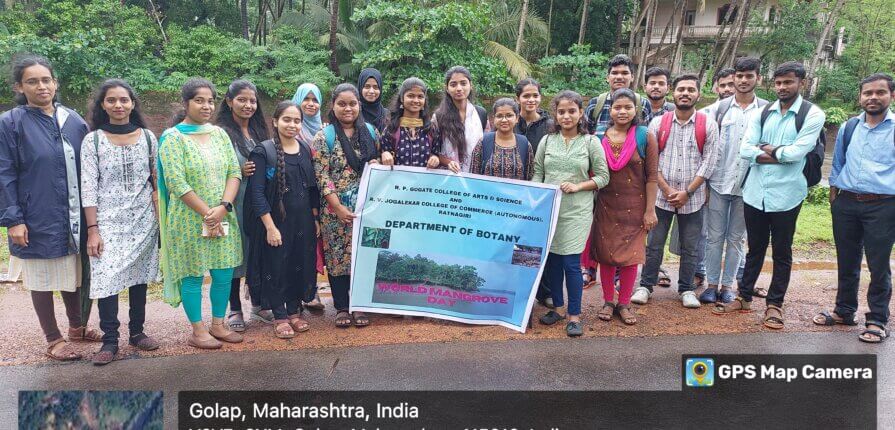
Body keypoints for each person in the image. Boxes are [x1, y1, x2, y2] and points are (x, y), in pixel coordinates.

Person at [0, 55, 101, 361]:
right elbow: (4, 172)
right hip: (36, 214)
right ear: (20, 86)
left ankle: (77, 327)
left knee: (73, 271)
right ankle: (53, 338)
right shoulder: (11, 123)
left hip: (73, 212)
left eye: (46, 80)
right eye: (32, 81)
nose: (41, 86)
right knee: (42, 276)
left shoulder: (73, 120)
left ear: (55, 83)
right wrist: (13, 219)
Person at [713, 62, 825, 329]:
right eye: (778, 83)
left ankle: (775, 304)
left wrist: (768, 151)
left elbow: (798, 153)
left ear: (802, 83)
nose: (782, 87)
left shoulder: (812, 115)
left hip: (787, 195)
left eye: (788, 82)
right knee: (754, 249)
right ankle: (744, 296)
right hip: (755, 193)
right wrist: (779, 153)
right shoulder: (762, 113)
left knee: (782, 252)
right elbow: (746, 149)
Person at [157, 78, 244, 349]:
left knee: (223, 272)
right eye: (199, 100)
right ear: (185, 103)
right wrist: (208, 213)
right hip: (188, 219)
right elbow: (176, 182)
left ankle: (218, 324)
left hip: (222, 215)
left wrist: (223, 207)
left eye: (210, 100)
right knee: (193, 275)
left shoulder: (220, 134)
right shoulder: (173, 138)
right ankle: (197, 330)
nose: (206, 106)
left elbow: (234, 171)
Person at [81, 79, 161, 365]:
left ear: (132, 103)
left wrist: (160, 220)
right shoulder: (93, 140)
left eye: (124, 100)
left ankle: (137, 332)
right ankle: (109, 340)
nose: (118, 105)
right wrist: (93, 230)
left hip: (142, 219)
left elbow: (156, 181)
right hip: (106, 222)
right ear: (103, 105)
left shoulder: (149, 137)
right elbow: (88, 187)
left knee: (139, 278)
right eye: (112, 100)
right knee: (107, 279)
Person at [813, 73, 895, 343]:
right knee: (847, 260)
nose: (873, 97)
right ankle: (845, 310)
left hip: (883, 205)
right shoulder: (850, 127)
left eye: (879, 92)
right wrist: (835, 195)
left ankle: (877, 319)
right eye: (867, 93)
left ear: (891, 96)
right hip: (846, 203)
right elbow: (837, 163)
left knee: (878, 264)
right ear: (860, 97)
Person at [632, 74, 719, 308]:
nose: (685, 93)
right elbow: (652, 162)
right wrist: (668, 189)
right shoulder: (658, 124)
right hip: (662, 197)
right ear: (673, 92)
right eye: (681, 89)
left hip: (693, 199)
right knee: (654, 244)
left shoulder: (708, 124)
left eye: (691, 89)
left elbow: (709, 163)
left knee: (691, 247)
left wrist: (687, 193)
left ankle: (686, 289)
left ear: (698, 94)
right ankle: (645, 286)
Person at [314, 83, 392, 328]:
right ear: (333, 106)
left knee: (367, 254)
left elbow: (379, 163)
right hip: (335, 210)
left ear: (359, 105)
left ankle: (361, 305)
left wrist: (386, 157)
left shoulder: (371, 132)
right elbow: (321, 174)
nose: (348, 109)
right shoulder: (323, 137)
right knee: (338, 257)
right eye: (342, 104)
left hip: (368, 209)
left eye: (353, 104)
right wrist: (336, 206)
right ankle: (341, 306)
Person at [533, 90, 610, 337]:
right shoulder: (547, 141)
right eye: (561, 111)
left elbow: (603, 177)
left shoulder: (590, 142)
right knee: (553, 262)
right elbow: (537, 173)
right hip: (551, 209)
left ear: (580, 113)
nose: (566, 116)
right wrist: (536, 194)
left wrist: (578, 186)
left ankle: (574, 315)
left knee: (570, 263)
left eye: (572, 111)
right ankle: (557, 308)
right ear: (555, 114)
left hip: (577, 211)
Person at [247, 101, 319, 339]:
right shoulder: (263, 151)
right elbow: (256, 192)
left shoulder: (304, 149)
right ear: (275, 121)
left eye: (296, 120)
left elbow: (311, 189)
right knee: (275, 267)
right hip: (276, 222)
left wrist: (315, 218)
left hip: (303, 222)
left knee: (299, 263)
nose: (292, 125)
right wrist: (269, 226)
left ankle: (295, 310)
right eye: (287, 120)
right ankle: (279, 315)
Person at [699, 57, 767, 304]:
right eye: (740, 76)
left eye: (749, 76)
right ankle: (711, 284)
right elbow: (707, 148)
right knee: (714, 236)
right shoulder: (718, 109)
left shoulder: (766, 110)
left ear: (758, 78)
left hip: (748, 185)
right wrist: (704, 182)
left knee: (737, 238)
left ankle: (728, 286)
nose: (743, 80)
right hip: (718, 182)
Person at [590, 89, 659, 325]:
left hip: (636, 206)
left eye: (627, 107)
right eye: (617, 107)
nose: (622, 112)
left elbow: (652, 176)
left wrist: (650, 210)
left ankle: (624, 303)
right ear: (610, 109)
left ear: (635, 110)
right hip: (607, 206)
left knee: (631, 257)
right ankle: (608, 301)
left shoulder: (644, 136)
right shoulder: (598, 139)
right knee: (607, 255)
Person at [216, 79, 273, 331]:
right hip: (233, 204)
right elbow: (213, 169)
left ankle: (258, 305)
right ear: (229, 102)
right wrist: (237, 171)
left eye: (252, 100)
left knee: (257, 253)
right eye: (242, 100)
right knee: (233, 256)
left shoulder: (260, 131)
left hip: (258, 203)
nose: (248, 105)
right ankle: (235, 308)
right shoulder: (220, 133)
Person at [514, 78, 554, 307]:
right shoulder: (510, 120)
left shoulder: (549, 125)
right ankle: (523, 292)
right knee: (519, 243)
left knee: (540, 242)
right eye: (526, 96)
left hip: (542, 194)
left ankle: (544, 291)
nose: (531, 100)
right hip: (515, 193)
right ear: (518, 98)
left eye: (535, 96)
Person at [291, 82, 327, 311]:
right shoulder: (292, 128)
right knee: (299, 243)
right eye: (307, 99)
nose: (311, 104)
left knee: (318, 243)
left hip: (323, 195)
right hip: (299, 195)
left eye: (315, 100)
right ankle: (295, 292)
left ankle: (312, 290)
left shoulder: (326, 130)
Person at [434, 66, 489, 173]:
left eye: (463, 83)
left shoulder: (480, 114)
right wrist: (448, 162)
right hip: (447, 177)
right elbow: (432, 151)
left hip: (474, 176)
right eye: (453, 84)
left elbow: (486, 147)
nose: (459, 88)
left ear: (470, 85)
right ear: (447, 88)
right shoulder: (439, 116)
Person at [584, 54, 652, 137]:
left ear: (632, 77)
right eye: (614, 73)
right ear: (608, 77)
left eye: (625, 73)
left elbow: (648, 137)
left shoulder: (643, 104)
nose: (619, 77)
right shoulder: (595, 104)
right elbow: (585, 137)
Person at [380, 77, 441, 168]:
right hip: (397, 181)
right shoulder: (391, 129)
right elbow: (381, 156)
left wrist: (435, 158)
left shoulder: (431, 129)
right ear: (402, 98)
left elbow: (436, 154)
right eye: (411, 96)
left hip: (424, 181)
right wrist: (385, 154)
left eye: (420, 96)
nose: (416, 100)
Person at [471, 98, 533, 180]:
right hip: (487, 192)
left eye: (509, 115)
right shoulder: (484, 142)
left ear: (517, 118)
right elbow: (473, 176)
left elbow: (529, 177)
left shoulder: (524, 144)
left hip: (516, 192)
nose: (504, 120)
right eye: (499, 116)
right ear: (493, 119)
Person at [358, 68, 389, 133]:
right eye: (367, 86)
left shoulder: (387, 115)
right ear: (360, 88)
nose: (371, 91)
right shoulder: (353, 114)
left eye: (376, 87)